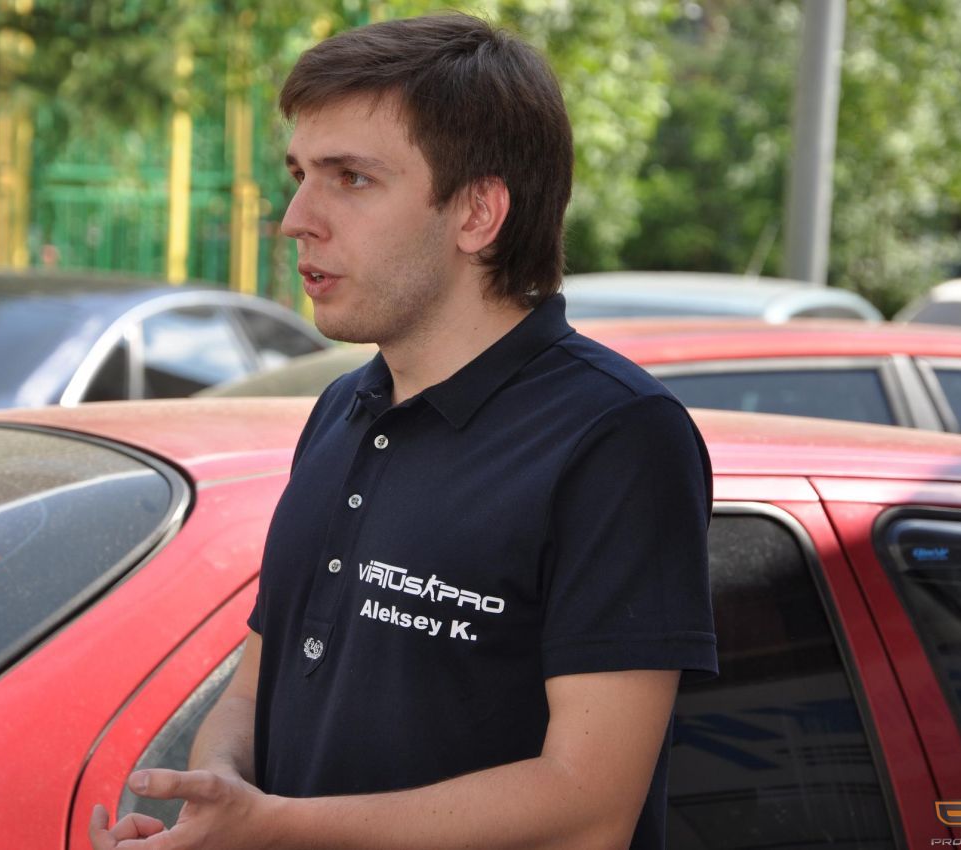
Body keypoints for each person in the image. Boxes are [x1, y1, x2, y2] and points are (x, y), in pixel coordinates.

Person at [90, 12, 716, 850]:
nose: (296, 217)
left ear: (478, 213)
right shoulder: (341, 410)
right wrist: (220, 805)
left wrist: (278, 832)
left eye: (350, 178)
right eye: (299, 174)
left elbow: (589, 807)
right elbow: (250, 694)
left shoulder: (616, 436)